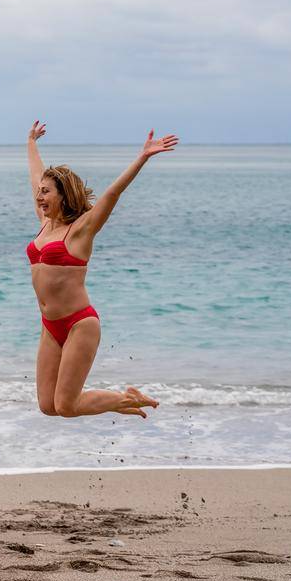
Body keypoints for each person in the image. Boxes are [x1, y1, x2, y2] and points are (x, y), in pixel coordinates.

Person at [26, 122, 177, 419]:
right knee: (48, 406)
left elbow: (112, 194)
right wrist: (31, 143)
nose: (39, 196)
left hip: (79, 324)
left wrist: (142, 157)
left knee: (66, 407)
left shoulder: (81, 230)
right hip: (49, 325)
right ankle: (124, 400)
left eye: (46, 192)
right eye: (39, 192)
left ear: (62, 195)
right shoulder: (44, 224)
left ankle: (123, 399)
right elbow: (35, 176)